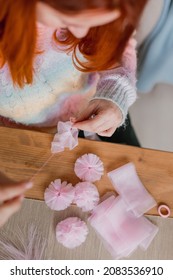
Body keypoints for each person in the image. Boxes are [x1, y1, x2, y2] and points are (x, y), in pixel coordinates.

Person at [0, 0, 147, 227]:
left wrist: (116, 90)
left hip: (99, 101)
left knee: (144, 178)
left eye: (96, 23)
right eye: (67, 22)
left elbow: (120, 42)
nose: (81, 34)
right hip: (18, 133)